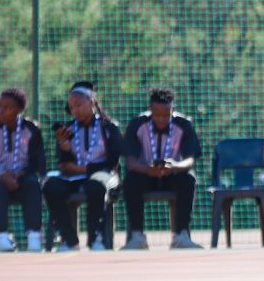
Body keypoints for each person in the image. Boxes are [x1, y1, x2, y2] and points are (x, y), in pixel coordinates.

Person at [44, 82, 123, 252]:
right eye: (72, 107)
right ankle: (68, 240)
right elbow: (64, 164)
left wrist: (83, 169)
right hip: (72, 177)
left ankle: (97, 239)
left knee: (95, 186)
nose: (75, 110)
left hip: (103, 175)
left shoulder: (109, 127)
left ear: (92, 102)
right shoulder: (68, 129)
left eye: (79, 105)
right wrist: (64, 146)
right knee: (51, 186)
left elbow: (112, 162)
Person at [121, 87, 203, 250]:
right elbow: (131, 162)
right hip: (146, 174)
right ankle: (137, 236)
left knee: (189, 179)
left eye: (166, 115)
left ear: (172, 110)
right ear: (150, 110)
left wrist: (174, 166)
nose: (161, 119)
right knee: (130, 180)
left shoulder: (184, 124)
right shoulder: (137, 124)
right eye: (157, 115)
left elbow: (189, 160)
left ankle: (181, 235)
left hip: (173, 174)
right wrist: (148, 169)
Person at [0, 88, 46, 252]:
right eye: (0, 106)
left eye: (7, 108)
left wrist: (18, 174)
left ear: (19, 110)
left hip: (21, 176)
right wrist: (1, 175)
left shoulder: (32, 129)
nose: (1, 110)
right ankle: (0, 236)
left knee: (33, 184)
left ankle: (34, 237)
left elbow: (36, 162)